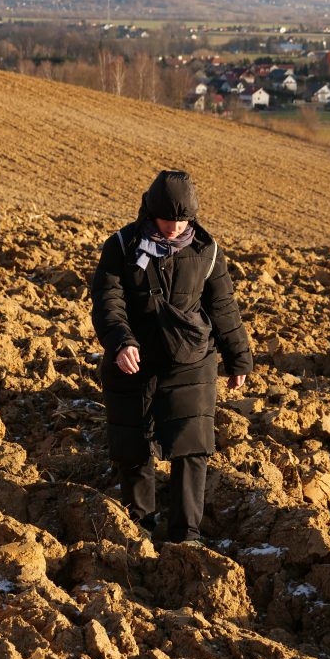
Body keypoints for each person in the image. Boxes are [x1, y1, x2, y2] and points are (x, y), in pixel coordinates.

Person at [90, 170, 253, 544]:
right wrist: (121, 342)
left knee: (192, 446)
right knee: (133, 444)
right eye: (168, 220)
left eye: (183, 221)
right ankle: (138, 529)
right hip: (134, 356)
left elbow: (223, 306)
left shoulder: (207, 251)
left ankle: (186, 536)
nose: (175, 228)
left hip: (191, 357)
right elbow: (108, 300)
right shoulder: (122, 246)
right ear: (150, 211)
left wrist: (238, 359)